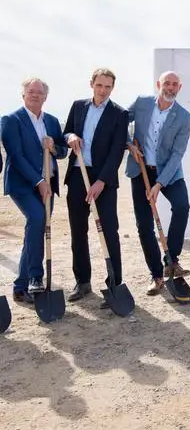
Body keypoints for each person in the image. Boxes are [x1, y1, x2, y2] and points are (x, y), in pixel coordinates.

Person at [63, 68, 129, 306]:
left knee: (109, 230)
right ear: (91, 83)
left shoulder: (120, 114)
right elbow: (66, 132)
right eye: (99, 85)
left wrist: (102, 181)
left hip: (105, 178)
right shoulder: (78, 106)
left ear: (113, 88)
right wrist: (70, 136)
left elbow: (116, 151)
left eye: (108, 87)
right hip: (78, 174)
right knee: (78, 230)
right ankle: (82, 282)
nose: (103, 91)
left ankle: (114, 284)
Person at [126, 71, 190, 296]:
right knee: (144, 225)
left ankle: (171, 259)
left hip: (168, 173)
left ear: (179, 88)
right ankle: (156, 275)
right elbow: (119, 121)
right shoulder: (142, 103)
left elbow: (177, 154)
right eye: (167, 83)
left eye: (175, 84)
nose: (170, 88)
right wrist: (129, 144)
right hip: (141, 169)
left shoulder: (184, 116)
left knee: (182, 206)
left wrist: (159, 184)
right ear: (158, 84)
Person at [1, 78, 67, 302]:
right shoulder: (11, 120)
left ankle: (20, 286)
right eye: (31, 92)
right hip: (23, 185)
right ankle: (35, 278)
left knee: (36, 229)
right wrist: (38, 182)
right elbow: (16, 156)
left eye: (39, 92)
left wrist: (54, 147)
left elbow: (62, 152)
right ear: (23, 95)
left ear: (45, 97)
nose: (35, 95)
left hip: (48, 183)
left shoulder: (52, 121)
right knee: (38, 220)